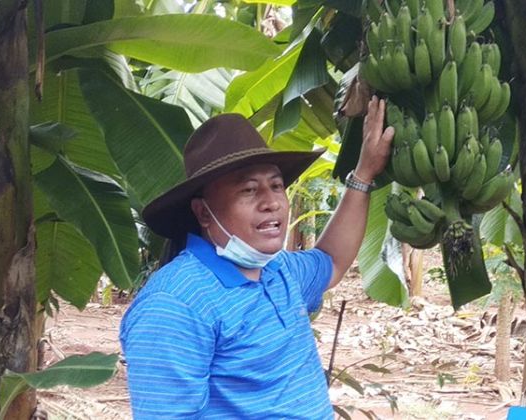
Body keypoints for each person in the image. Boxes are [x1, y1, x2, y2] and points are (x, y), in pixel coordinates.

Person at [119, 97, 394, 418]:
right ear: (203, 213)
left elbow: (331, 260)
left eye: (276, 186)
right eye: (249, 190)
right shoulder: (175, 303)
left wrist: (363, 173)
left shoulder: (279, 270)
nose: (271, 202)